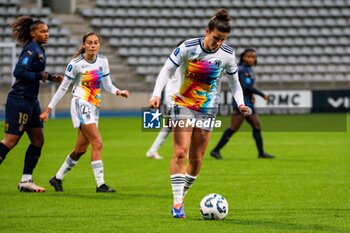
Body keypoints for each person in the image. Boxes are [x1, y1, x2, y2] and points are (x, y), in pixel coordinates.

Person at [149, 9, 251, 218]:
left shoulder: (228, 54)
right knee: (180, 152)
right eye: (215, 38)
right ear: (207, 31)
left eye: (222, 40)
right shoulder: (187, 47)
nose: (218, 43)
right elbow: (166, 70)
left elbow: (235, 84)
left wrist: (240, 104)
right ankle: (178, 204)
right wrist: (155, 94)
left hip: (207, 108)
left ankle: (182, 194)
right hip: (182, 104)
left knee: (196, 159)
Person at [39, 32, 129, 193]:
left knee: (81, 148)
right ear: (84, 45)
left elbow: (107, 85)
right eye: (89, 42)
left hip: (94, 106)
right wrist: (48, 109)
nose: (93, 45)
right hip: (81, 103)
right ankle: (100, 184)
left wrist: (118, 91)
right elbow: (63, 87)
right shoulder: (76, 64)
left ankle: (57, 178)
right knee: (97, 142)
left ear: (99, 45)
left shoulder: (103, 61)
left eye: (95, 42)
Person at [0, 16, 63, 192]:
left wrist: (50, 77)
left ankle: (26, 181)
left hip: (31, 102)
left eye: (47, 31)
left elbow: (36, 73)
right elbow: (19, 71)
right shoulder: (31, 50)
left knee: (38, 140)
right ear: (32, 33)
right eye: (42, 31)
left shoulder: (39, 50)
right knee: (10, 141)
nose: (46, 34)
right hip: (19, 100)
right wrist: (40, 76)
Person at [210, 48, 275, 159]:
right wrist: (262, 95)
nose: (251, 59)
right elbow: (246, 87)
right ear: (243, 58)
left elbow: (248, 88)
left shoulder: (249, 70)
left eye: (253, 57)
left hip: (248, 101)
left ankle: (261, 153)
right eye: (248, 57)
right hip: (241, 102)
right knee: (234, 128)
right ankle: (215, 150)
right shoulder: (241, 70)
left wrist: (252, 95)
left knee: (256, 125)